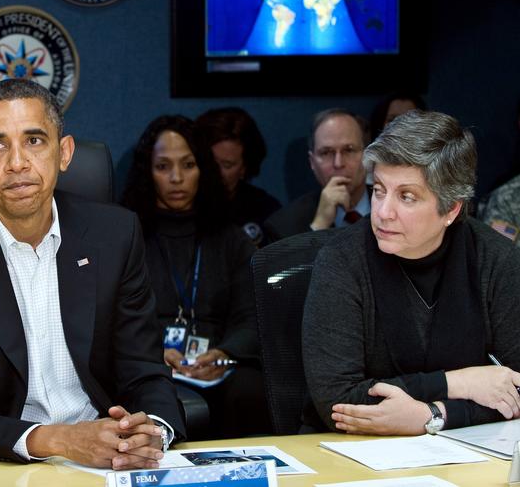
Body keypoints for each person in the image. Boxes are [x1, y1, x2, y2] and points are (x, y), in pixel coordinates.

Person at [0, 80, 186, 470]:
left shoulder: (114, 236)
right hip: (3, 461)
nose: (17, 162)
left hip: (109, 459)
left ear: (64, 153)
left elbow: (145, 371)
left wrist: (150, 432)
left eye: (34, 141)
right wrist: (60, 440)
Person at [302, 110, 520, 435]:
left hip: (468, 453)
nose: (384, 212)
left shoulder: (496, 260)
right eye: (379, 190)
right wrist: (457, 382)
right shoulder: (341, 261)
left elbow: (514, 388)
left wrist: (433, 415)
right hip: (352, 454)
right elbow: (338, 401)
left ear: (451, 208)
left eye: (407, 196)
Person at [120, 114, 269, 438]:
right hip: (151, 363)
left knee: (252, 391)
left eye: (188, 165)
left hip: (218, 364)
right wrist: (153, 354)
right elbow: (109, 320)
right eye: (163, 167)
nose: (176, 178)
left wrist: (226, 353)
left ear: (203, 169)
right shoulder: (124, 236)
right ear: (148, 172)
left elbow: (252, 314)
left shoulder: (230, 239)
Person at [263, 109, 370, 244]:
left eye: (349, 150)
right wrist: (319, 225)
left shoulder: (396, 208)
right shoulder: (284, 227)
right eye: (326, 152)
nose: (338, 163)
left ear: (368, 156)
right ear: (312, 162)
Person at [195, 107, 281, 244]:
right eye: (209, 161)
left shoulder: (265, 210)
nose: (215, 172)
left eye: (227, 165)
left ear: (244, 169)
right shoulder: (182, 205)